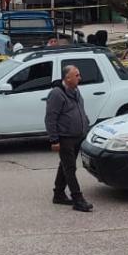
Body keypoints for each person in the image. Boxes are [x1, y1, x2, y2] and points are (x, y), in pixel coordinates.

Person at [44, 64, 93, 212]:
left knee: (65, 165)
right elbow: (50, 119)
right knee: (70, 168)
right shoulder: (56, 94)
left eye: (79, 75)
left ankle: (58, 194)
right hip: (65, 137)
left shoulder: (75, 90)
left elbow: (80, 110)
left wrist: (85, 123)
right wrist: (54, 140)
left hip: (78, 135)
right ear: (68, 78)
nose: (80, 78)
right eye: (77, 75)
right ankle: (78, 199)